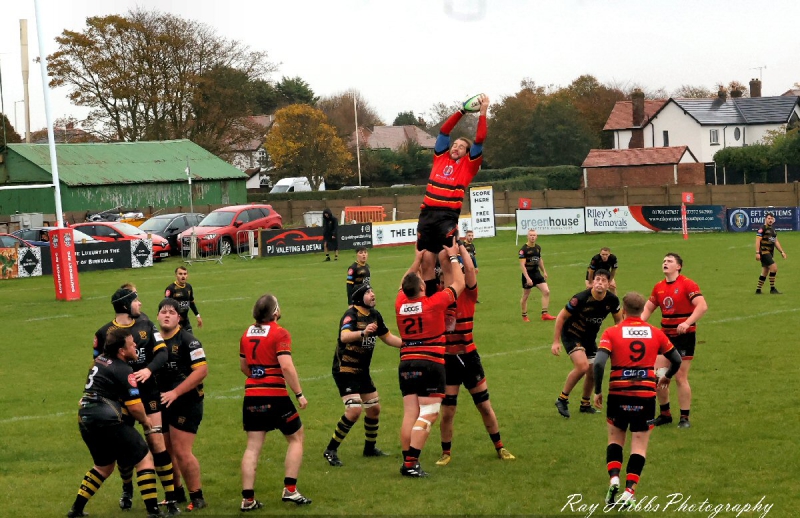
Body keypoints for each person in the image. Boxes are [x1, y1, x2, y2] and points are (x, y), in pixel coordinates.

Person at [592, 292, 682, 508]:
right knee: (639, 446)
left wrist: (597, 391)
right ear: (642, 311)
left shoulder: (612, 332)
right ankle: (629, 491)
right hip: (645, 397)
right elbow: (676, 359)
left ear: (623, 310)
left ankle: (614, 478)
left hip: (618, 394)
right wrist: (666, 377)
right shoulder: (656, 333)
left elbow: (598, 364)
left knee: (615, 439)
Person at [93, 288, 179, 512]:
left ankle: (170, 499)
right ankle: (127, 489)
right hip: (120, 399)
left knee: (157, 443)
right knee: (126, 448)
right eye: (135, 301)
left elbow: (162, 353)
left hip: (148, 394)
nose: (140, 304)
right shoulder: (104, 333)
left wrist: (149, 370)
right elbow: (99, 364)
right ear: (125, 306)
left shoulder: (146, 324)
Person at [67, 327, 162, 518]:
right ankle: (154, 511)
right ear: (122, 350)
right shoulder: (123, 369)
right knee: (144, 459)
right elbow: (135, 407)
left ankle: (76, 510)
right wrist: (145, 422)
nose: (135, 344)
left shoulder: (100, 360)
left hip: (85, 418)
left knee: (103, 466)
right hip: (107, 420)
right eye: (131, 343)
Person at [437, 243, 514, 466]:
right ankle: (446, 453)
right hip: (448, 360)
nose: (448, 281)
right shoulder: (439, 298)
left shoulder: (468, 295)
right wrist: (445, 245)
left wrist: (459, 247)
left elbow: (469, 270)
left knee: (484, 405)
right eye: (444, 279)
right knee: (448, 410)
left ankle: (500, 447)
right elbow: (442, 261)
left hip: (469, 357)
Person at [395, 243, 465, 477]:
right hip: (430, 362)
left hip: (406, 363)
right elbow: (459, 284)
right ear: (423, 286)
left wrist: (416, 261)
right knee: (429, 412)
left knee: (409, 413)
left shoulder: (400, 304)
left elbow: (404, 282)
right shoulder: (433, 303)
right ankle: (411, 463)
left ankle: (408, 461)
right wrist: (454, 258)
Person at [239, 294, 312, 509]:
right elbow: (286, 366)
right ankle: (290, 489)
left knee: (252, 448)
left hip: (251, 394)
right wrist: (299, 394)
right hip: (275, 395)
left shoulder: (246, 333)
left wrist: (257, 377)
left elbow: (244, 367)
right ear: (275, 312)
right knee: (296, 438)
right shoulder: (280, 333)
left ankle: (247, 499)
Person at [416, 94, 489, 294]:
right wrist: (462, 111)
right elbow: (444, 130)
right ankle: (431, 298)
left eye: (461, 146)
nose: (456, 147)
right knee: (426, 259)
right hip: (427, 214)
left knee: (447, 258)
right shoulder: (440, 157)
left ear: (467, 153)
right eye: (454, 144)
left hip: (447, 217)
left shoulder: (468, 166)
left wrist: (482, 113)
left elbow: (480, 138)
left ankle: (450, 298)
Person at [323, 284, 402, 466]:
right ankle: (331, 449)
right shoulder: (351, 314)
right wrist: (363, 333)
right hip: (346, 369)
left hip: (362, 370)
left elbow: (388, 337)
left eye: (372, 291)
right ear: (359, 297)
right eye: (368, 292)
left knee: (374, 409)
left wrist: (409, 344)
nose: (373, 294)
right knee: (354, 410)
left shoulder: (375, 315)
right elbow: (344, 336)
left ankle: (369, 448)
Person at [641, 253, 707, 429]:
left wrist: (687, 322)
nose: (665, 263)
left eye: (669, 261)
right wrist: (637, 324)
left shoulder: (687, 284)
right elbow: (648, 308)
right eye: (663, 261)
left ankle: (684, 417)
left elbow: (702, 306)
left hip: (684, 337)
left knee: (679, 377)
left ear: (678, 266)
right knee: (658, 375)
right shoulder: (658, 287)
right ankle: (665, 414)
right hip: (665, 337)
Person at [156, 298, 209, 512]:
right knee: (166, 451)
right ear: (158, 316)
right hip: (162, 402)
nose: (166, 315)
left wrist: (176, 392)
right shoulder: (154, 341)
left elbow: (202, 371)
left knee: (181, 450)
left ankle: (197, 497)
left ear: (179, 317)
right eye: (163, 311)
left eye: (171, 312)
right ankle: (175, 494)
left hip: (187, 402)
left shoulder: (189, 341)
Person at [551, 270, 622, 418]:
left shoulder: (612, 300)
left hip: (589, 338)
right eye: (597, 279)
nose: (600, 283)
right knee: (582, 366)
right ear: (592, 282)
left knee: (593, 370)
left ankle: (585, 404)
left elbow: (618, 321)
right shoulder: (580, 298)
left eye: (603, 280)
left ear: (609, 284)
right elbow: (561, 317)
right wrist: (556, 341)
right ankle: (562, 399)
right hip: (571, 333)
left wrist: (619, 342)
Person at [519, 229, 556, 321]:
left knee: (546, 291)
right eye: (531, 235)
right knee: (526, 295)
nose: (532, 237)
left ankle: (545, 314)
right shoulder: (523, 250)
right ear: (527, 236)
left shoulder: (538, 248)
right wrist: (527, 278)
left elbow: (539, 260)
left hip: (536, 273)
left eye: (534, 235)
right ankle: (524, 315)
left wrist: (544, 271)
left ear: (536, 236)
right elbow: (522, 266)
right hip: (528, 274)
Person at [755, 212, 787, 294]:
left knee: (765, 271)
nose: (770, 220)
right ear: (765, 219)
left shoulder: (772, 230)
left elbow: (776, 242)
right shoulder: (762, 228)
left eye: (771, 219)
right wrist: (757, 252)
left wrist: (782, 252)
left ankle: (758, 290)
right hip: (764, 252)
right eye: (769, 218)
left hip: (769, 253)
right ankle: (772, 289)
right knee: (774, 268)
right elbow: (757, 240)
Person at [165, 266, 203, 333]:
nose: (183, 276)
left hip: (186, 322)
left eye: (185, 274)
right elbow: (166, 307)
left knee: (191, 342)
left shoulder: (189, 287)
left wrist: (198, 316)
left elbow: (191, 302)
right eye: (180, 274)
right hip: (174, 323)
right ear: (176, 275)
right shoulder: (171, 289)